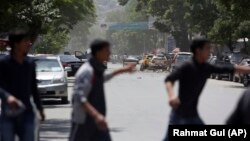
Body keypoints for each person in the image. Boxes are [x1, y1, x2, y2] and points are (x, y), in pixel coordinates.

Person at [163, 38, 250, 140]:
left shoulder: (206, 67)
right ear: (198, 51)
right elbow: (169, 80)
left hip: (193, 116)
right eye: (207, 48)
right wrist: (172, 96)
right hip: (179, 116)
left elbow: (231, 69)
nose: (210, 51)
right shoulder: (187, 67)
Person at [69, 39, 135, 141]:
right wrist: (96, 115)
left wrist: (123, 70)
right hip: (84, 122)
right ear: (98, 52)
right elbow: (79, 96)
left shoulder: (96, 69)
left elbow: (104, 77)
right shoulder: (87, 71)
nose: (110, 53)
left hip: (98, 123)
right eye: (107, 50)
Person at [0, 29, 45, 141]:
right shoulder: (3, 63)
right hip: (8, 113)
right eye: (25, 41)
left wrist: (40, 109)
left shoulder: (29, 63)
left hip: (27, 113)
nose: (29, 43)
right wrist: (7, 97)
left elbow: (34, 88)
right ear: (16, 43)